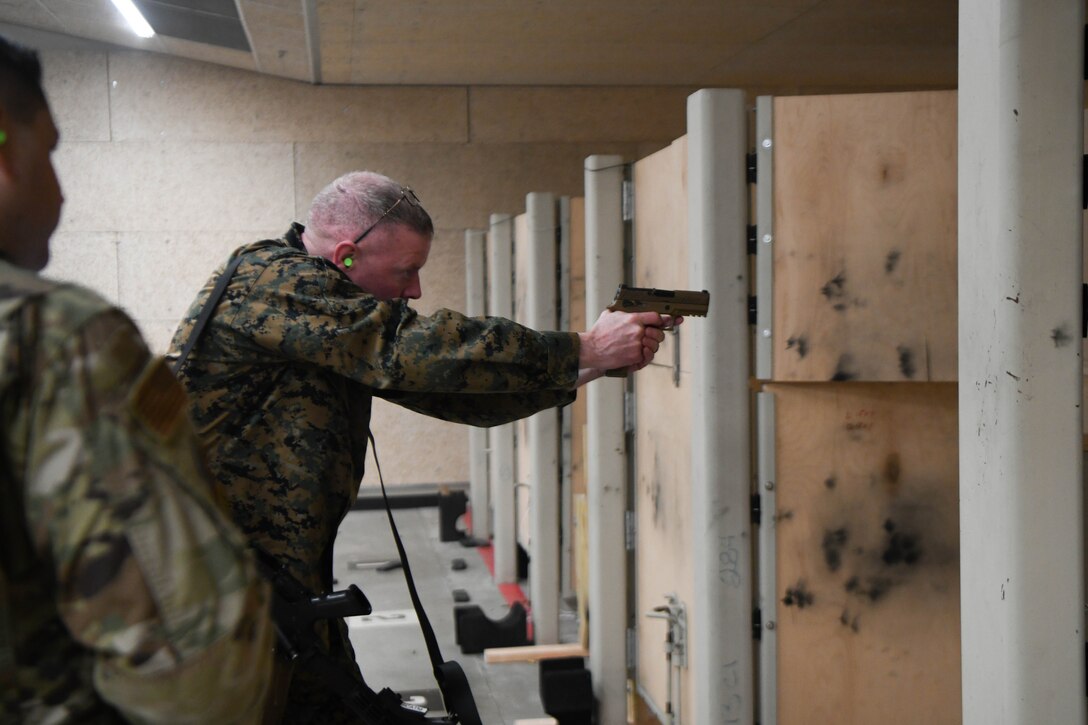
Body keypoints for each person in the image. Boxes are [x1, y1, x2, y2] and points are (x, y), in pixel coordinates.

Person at [169, 170, 674, 721]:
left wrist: (591, 363)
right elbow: (421, 350)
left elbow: (445, 387)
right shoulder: (275, 281)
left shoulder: (318, 307)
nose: (414, 291)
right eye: (406, 271)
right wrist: (583, 345)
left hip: (276, 588)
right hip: (225, 591)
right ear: (346, 256)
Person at [0, 36, 274, 723]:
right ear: (4, 153)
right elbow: (193, 659)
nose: (59, 189)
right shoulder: (56, 338)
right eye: (50, 153)